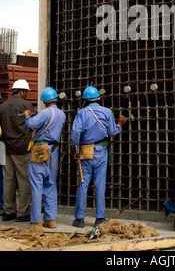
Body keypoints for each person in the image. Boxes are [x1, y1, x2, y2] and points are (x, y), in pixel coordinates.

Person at [71, 86, 128, 228]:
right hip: (101, 150)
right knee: (100, 185)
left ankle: (79, 219)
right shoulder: (107, 112)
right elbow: (112, 131)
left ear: (85, 100)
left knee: (83, 184)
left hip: (85, 151)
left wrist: (76, 149)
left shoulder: (82, 113)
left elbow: (75, 132)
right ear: (98, 98)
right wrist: (120, 124)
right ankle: (100, 218)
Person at [24, 87, 66, 230]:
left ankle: (36, 221)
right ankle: (50, 219)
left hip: (41, 150)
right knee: (50, 184)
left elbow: (32, 124)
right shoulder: (61, 114)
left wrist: (28, 116)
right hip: (54, 151)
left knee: (37, 185)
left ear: (44, 101)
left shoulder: (45, 112)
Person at [0, 79, 34, 222]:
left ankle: (9, 211)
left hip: (6, 148)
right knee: (24, 180)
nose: (26, 95)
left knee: (8, 180)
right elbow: (31, 125)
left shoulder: (2, 106)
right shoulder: (26, 105)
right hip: (22, 148)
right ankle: (23, 213)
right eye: (26, 92)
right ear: (21, 91)